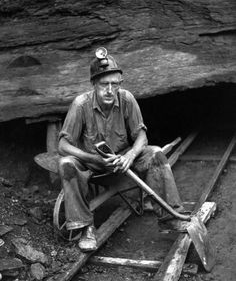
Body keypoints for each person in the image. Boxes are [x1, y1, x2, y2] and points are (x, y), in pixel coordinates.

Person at [58, 47, 186, 252]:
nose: (110, 90)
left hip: (124, 161)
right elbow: (63, 145)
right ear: (93, 84)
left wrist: (130, 155)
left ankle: (171, 216)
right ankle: (85, 228)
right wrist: (94, 158)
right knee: (66, 163)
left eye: (114, 84)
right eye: (104, 84)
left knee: (156, 154)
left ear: (120, 84)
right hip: (93, 166)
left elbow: (141, 136)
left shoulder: (127, 100)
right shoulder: (80, 105)